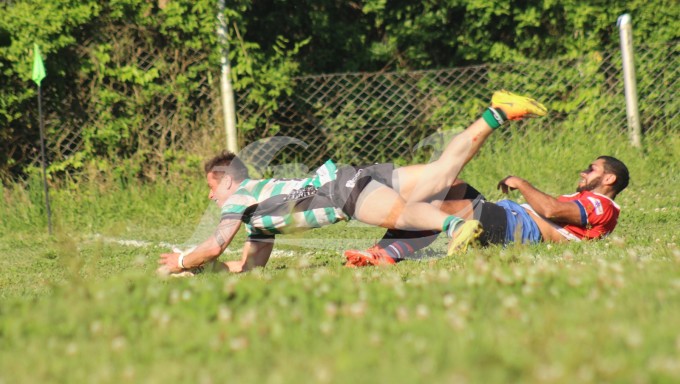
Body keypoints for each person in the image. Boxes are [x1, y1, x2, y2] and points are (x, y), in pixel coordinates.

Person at [157, 90, 547, 274]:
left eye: (212, 186)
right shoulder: (258, 216)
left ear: (227, 181)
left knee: (405, 215)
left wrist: (178, 261)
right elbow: (247, 265)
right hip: (351, 178)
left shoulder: (238, 198)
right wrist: (200, 270)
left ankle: (456, 225)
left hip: (341, 190)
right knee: (442, 174)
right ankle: (497, 111)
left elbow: (214, 243)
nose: (211, 195)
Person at [344, 155, 629, 267]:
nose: (583, 172)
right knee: (444, 189)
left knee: (439, 197)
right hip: (510, 221)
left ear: (609, 179)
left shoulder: (600, 205)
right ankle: (385, 252)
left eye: (592, 169)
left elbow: (551, 211)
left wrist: (521, 183)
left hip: (514, 228)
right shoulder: (594, 203)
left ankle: (364, 208)